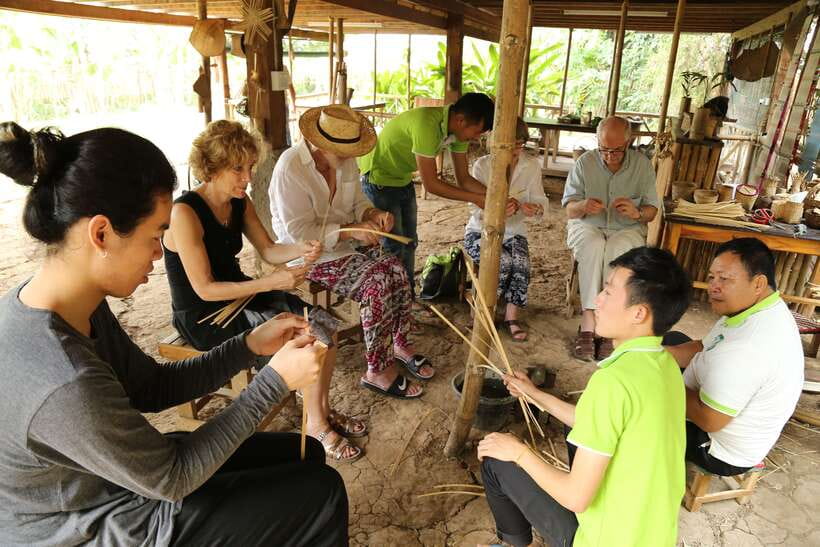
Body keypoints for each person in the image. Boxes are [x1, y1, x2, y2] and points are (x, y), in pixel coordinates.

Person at [0, 121, 347, 546]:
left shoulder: (75, 305)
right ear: (101, 233)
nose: (159, 254)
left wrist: (248, 344)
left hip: (113, 480)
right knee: (322, 493)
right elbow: (173, 478)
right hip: (86, 522)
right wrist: (275, 381)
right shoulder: (62, 378)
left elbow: (151, 386)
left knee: (306, 455)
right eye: (156, 236)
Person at [164, 120, 363, 462]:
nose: (247, 177)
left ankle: (322, 411)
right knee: (308, 339)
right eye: (237, 169)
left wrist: (302, 247)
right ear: (211, 168)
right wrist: (273, 282)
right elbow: (205, 289)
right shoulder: (185, 213)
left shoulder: (238, 202)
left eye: (250, 167)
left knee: (323, 327)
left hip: (244, 296)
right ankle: (315, 425)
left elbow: (269, 250)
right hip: (207, 315)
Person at [478, 247, 691, 547]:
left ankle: (512, 543)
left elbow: (575, 497)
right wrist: (534, 395)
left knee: (494, 460)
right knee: (572, 434)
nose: (597, 301)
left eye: (607, 291)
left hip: (602, 540)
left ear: (639, 313)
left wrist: (519, 452)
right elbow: (594, 420)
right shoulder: (664, 364)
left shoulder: (613, 381)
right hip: (653, 536)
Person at [270, 104, 432, 400]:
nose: (348, 157)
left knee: (396, 269)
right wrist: (351, 229)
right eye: (342, 151)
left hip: (346, 249)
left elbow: (358, 202)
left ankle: (398, 342)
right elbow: (300, 233)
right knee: (377, 283)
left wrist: (374, 213)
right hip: (309, 255)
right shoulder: (290, 168)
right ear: (319, 144)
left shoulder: (344, 162)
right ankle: (378, 370)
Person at [664, 238, 804, 476]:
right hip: (726, 409)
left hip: (719, 449)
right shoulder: (759, 308)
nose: (713, 286)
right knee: (672, 341)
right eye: (711, 277)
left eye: (725, 279)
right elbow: (703, 346)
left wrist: (662, 379)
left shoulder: (750, 347)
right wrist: (655, 355)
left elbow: (709, 420)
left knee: (640, 406)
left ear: (758, 283)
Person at [358, 92, 501, 296]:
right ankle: (393, 301)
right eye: (477, 131)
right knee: (394, 245)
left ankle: (407, 296)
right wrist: (475, 198)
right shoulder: (427, 124)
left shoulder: (458, 132)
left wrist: (493, 198)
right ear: (461, 120)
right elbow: (431, 184)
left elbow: (463, 178)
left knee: (410, 242)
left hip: (402, 178)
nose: (476, 138)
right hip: (379, 179)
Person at [562, 116, 659, 362]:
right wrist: (583, 205)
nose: (609, 155)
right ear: (597, 141)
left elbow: (651, 212)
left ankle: (609, 324)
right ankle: (588, 319)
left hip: (626, 228)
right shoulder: (585, 163)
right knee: (593, 246)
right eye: (604, 149)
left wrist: (637, 212)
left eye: (616, 150)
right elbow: (569, 209)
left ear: (629, 142)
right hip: (588, 225)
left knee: (618, 252)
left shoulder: (642, 165)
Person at [463, 118, 547, 342]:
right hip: (480, 231)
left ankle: (511, 317)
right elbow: (473, 206)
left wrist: (534, 208)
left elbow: (542, 203)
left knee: (521, 262)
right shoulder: (482, 165)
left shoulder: (531, 166)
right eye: (511, 146)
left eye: (520, 145)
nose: (516, 151)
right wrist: (498, 210)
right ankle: (481, 312)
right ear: (495, 144)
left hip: (515, 231)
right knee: (502, 261)